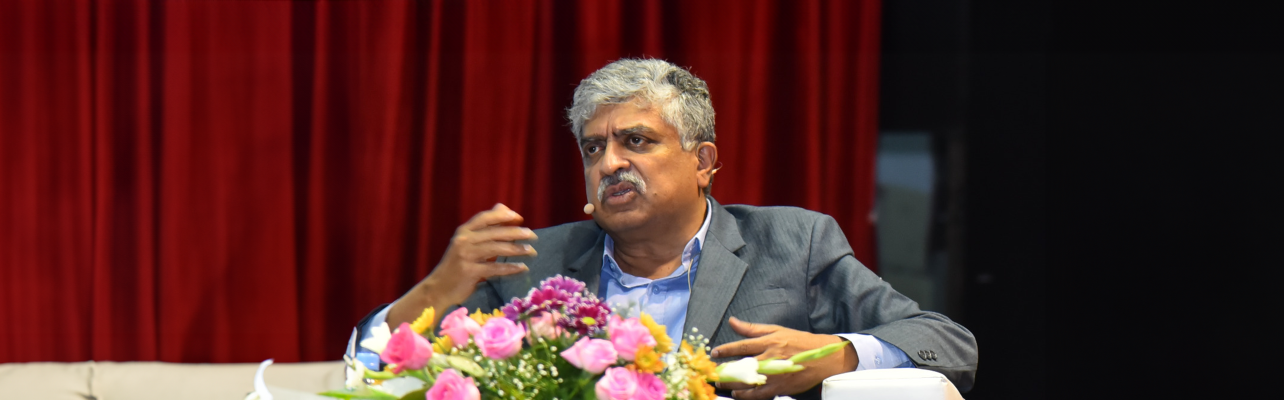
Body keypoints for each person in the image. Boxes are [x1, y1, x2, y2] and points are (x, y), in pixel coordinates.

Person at [348, 59, 976, 399]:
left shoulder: (794, 242)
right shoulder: (534, 263)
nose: (610, 163)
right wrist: (438, 290)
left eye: (636, 141)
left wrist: (831, 356)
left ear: (703, 162)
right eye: (594, 150)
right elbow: (366, 372)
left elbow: (947, 344)